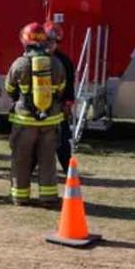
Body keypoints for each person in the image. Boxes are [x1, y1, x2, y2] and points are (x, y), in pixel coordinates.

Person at [5, 22, 67, 206]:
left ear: (25, 42)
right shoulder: (56, 63)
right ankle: (48, 197)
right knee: (47, 160)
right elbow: (61, 89)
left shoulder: (20, 63)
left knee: (21, 160)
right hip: (50, 120)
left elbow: (9, 88)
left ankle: (20, 196)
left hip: (25, 121)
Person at [44, 21, 76, 173]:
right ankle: (29, 170)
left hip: (58, 107)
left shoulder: (65, 62)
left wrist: (68, 104)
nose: (49, 44)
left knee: (62, 140)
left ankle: (68, 169)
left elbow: (69, 85)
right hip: (35, 107)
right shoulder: (32, 59)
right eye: (47, 40)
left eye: (53, 41)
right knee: (34, 140)